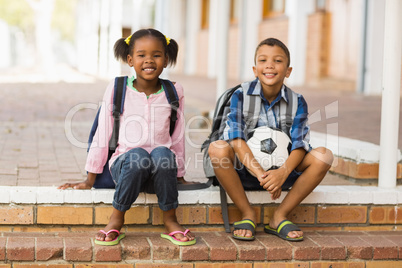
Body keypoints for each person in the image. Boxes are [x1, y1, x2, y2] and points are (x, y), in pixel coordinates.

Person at [59, 28, 195, 246]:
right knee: (137, 154)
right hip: (125, 168)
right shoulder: (118, 87)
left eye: (156, 55)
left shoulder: (174, 91)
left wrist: (179, 176)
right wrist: (89, 179)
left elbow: (177, 137)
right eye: (141, 55)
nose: (149, 60)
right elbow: (103, 133)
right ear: (130, 60)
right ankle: (116, 218)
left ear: (166, 59)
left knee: (162, 152)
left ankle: (170, 220)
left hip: (159, 172)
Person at [208, 38, 333, 242]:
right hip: (245, 171)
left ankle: (279, 216)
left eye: (277, 61)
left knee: (324, 156)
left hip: (281, 174)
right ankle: (247, 213)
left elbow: (300, 144)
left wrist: (282, 173)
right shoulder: (240, 95)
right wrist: (261, 174)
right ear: (255, 69)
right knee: (218, 149)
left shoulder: (297, 101)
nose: (270, 65)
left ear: (288, 71)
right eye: (263, 60)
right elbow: (236, 140)